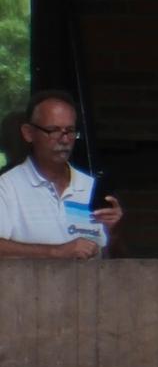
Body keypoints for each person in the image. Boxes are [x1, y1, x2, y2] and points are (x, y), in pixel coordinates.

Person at [0, 89, 118, 260]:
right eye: (53, 130)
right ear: (28, 133)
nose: (64, 139)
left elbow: (111, 261)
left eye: (70, 131)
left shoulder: (90, 186)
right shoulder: (7, 186)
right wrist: (57, 252)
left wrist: (113, 232)